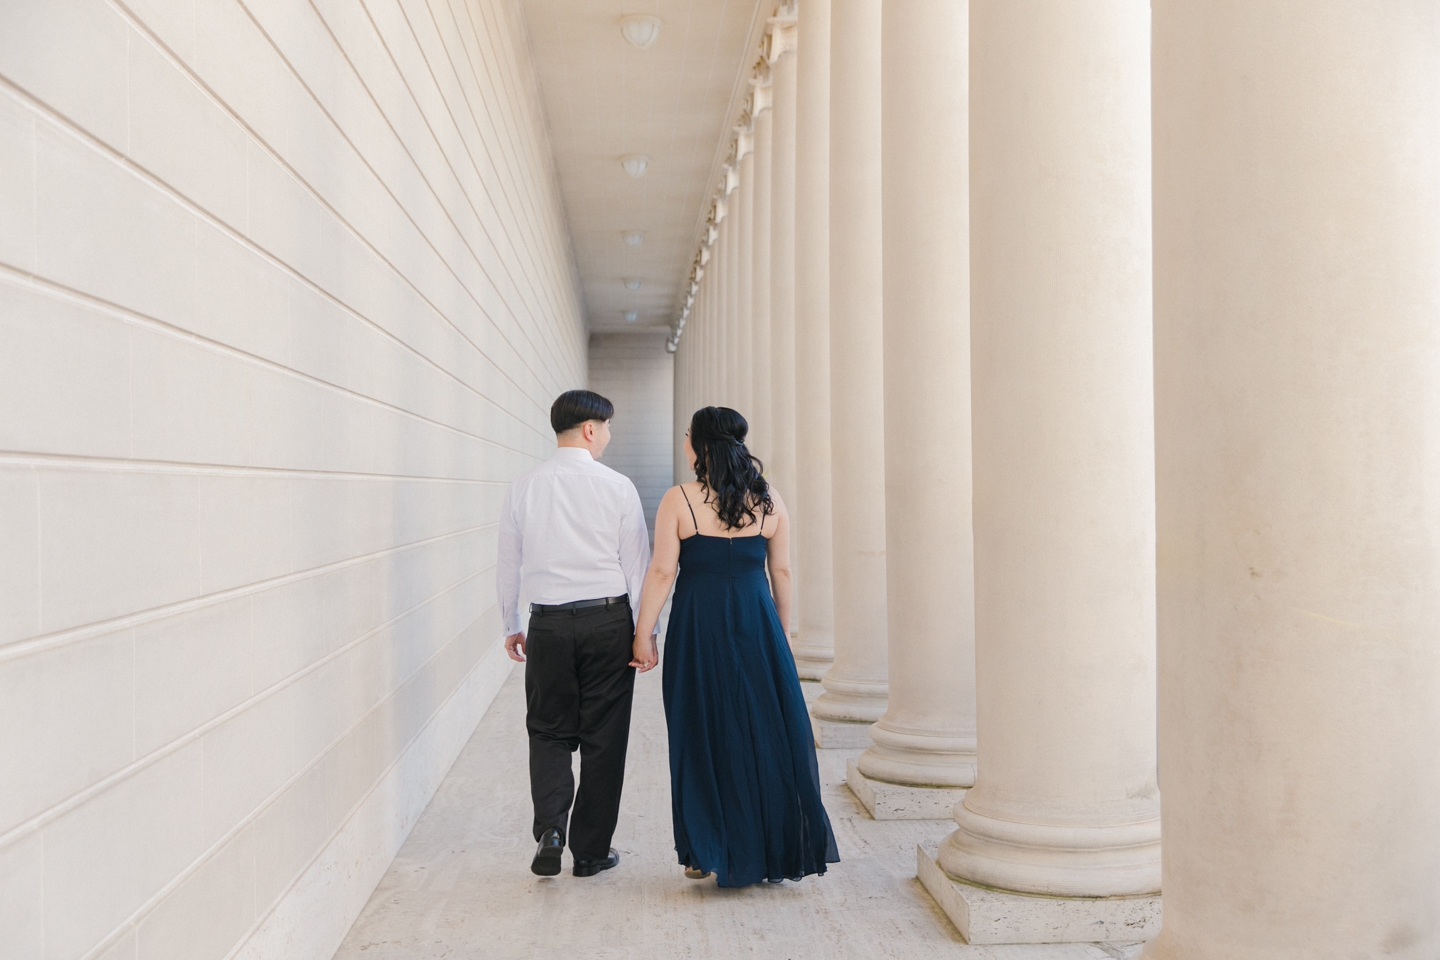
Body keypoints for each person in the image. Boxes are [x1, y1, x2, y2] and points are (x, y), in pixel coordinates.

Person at [630, 406, 840, 886]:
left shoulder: (678, 500)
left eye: (688, 436)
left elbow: (662, 571)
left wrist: (643, 633)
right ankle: (771, 848)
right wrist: (781, 638)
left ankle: (704, 851)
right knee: (764, 732)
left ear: (700, 446)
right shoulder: (768, 501)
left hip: (698, 625)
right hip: (756, 622)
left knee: (698, 729)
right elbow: (781, 572)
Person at [497, 389, 652, 878]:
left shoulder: (524, 486)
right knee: (604, 738)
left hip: (547, 623)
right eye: (605, 427)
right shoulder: (618, 486)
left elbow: (508, 564)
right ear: (589, 429)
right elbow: (637, 568)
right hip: (607, 621)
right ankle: (589, 852)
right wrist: (642, 632)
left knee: (547, 729)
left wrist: (512, 624)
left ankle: (551, 830)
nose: (607, 436)